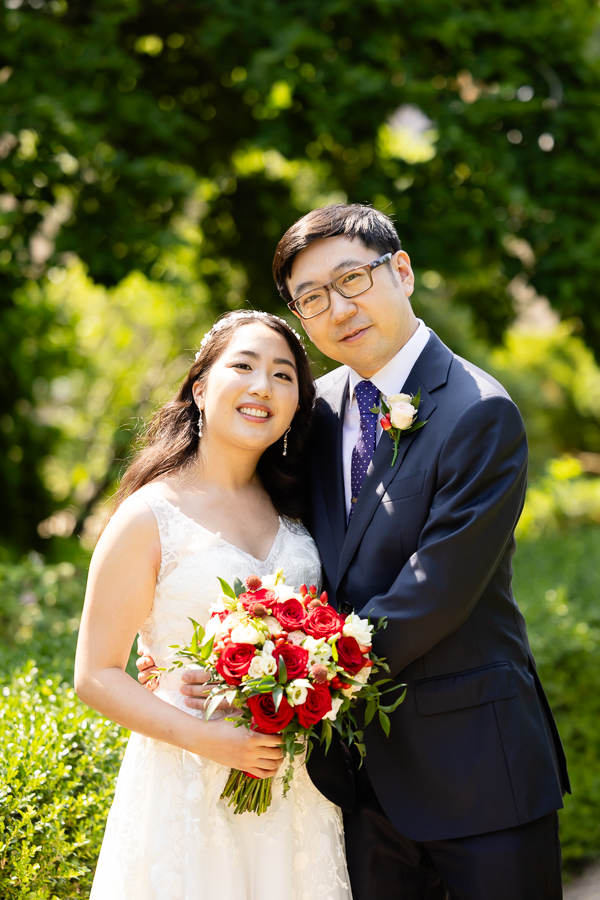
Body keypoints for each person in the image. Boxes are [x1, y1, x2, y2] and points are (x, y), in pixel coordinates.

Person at [156, 204, 569, 900]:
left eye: (352, 279)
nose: (338, 308)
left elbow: (434, 590)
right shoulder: (308, 411)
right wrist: (181, 635)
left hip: (478, 772)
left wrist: (296, 679)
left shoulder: (478, 411)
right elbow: (248, 530)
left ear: (400, 272)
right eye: (311, 298)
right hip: (351, 787)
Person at [74, 310, 352, 900]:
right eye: (244, 366)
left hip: (291, 778)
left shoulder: (300, 507)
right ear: (201, 388)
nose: (262, 387)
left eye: (283, 375)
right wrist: (209, 740)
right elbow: (95, 675)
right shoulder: (149, 514)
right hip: (186, 775)